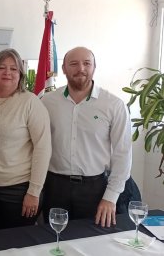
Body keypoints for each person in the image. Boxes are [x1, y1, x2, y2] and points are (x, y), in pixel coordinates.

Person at [41, 46, 132, 227]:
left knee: (93, 243)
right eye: (73, 64)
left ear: (94, 67)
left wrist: (111, 197)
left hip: (95, 189)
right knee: (53, 241)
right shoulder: (47, 102)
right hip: (55, 187)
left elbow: (123, 154)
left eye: (86, 63)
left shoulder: (113, 105)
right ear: (64, 69)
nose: (80, 68)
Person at [0, 48, 51, 231]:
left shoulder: (30, 102)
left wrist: (34, 192)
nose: (7, 72)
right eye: (2, 67)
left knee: (15, 244)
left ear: (20, 75)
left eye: (13, 69)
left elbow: (43, 148)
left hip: (18, 191)